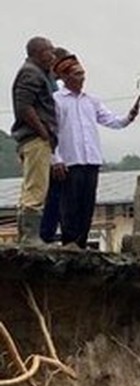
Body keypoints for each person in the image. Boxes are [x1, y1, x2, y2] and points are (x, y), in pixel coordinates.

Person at [50, 54, 139, 249]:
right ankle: (70, 244)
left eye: (83, 73)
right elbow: (51, 132)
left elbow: (112, 121)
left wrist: (129, 117)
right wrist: (55, 158)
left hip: (91, 159)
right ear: (65, 77)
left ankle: (80, 245)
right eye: (77, 74)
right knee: (69, 207)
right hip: (69, 161)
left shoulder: (92, 100)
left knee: (87, 206)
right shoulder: (57, 100)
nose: (82, 77)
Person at [9, 37, 58, 245]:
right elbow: (24, 107)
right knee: (36, 189)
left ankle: (26, 235)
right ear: (38, 52)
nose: (53, 56)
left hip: (35, 137)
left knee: (30, 187)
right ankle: (31, 237)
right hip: (35, 137)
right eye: (50, 51)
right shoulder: (30, 73)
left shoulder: (40, 73)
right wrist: (43, 131)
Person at [39, 47, 71, 243]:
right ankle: (45, 234)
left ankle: (49, 233)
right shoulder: (48, 87)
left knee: (56, 195)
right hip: (49, 148)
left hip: (54, 146)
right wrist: (54, 157)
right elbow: (50, 124)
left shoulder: (54, 86)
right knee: (52, 195)